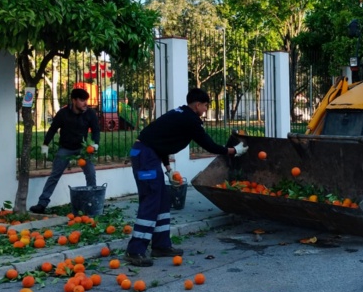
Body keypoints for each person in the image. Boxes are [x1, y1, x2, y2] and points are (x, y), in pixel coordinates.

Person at [124, 88, 248, 267]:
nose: (205, 110)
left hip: (148, 154)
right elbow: (209, 145)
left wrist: (168, 169)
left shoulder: (179, 114)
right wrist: (233, 151)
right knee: (151, 199)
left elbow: (160, 142)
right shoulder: (190, 120)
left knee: (162, 200)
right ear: (197, 104)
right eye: (205, 106)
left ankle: (161, 245)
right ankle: (134, 250)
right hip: (145, 156)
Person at [29, 88, 101, 214]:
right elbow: (52, 129)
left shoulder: (90, 113)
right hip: (65, 149)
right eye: (82, 100)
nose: (85, 103)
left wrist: (95, 144)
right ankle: (42, 204)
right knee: (54, 175)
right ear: (74, 100)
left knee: (91, 173)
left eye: (86, 100)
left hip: (82, 150)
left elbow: (96, 130)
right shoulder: (63, 113)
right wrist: (45, 144)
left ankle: (93, 203)